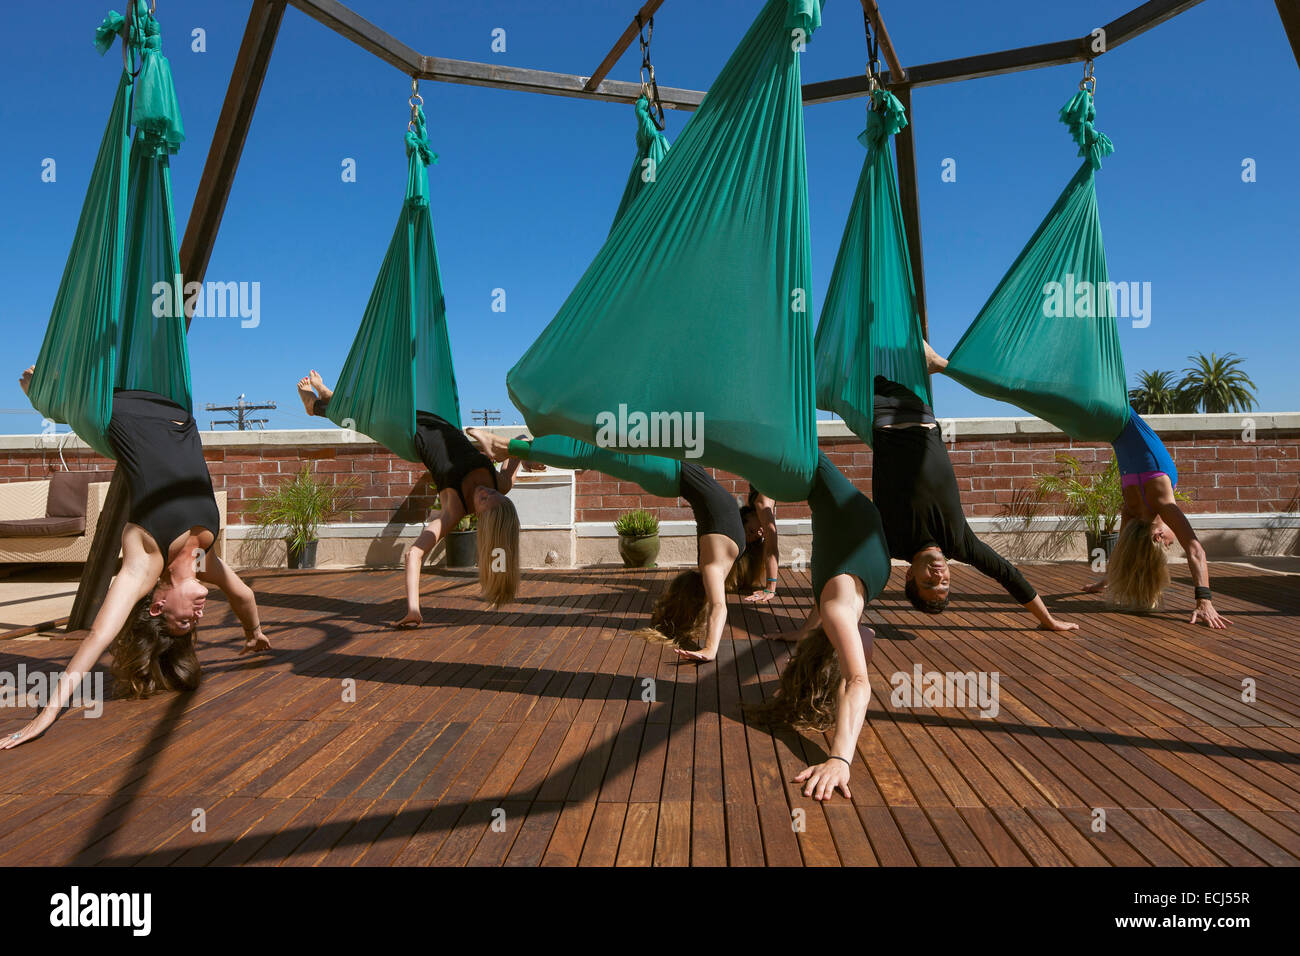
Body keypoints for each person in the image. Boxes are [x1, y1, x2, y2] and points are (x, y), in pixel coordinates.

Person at [3, 369, 270, 749]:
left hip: (118, 411)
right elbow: (243, 596)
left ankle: (44, 397)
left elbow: (97, 638)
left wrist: (45, 716)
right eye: (195, 623)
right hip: (172, 407)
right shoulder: (202, 562)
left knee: (55, 397)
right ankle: (48, 397)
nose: (198, 616)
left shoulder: (144, 564)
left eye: (184, 620)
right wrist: (253, 633)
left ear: (159, 606)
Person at [468, 430, 753, 663]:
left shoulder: (716, 565)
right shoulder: (720, 560)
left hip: (671, 471)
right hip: (672, 467)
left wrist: (710, 648)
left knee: (594, 449)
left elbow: (719, 607)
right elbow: (717, 604)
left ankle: (509, 446)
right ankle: (524, 448)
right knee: (597, 443)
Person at [875, 345, 1077, 631]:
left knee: (844, 356)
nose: (938, 575)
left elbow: (849, 575)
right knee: (906, 334)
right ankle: (939, 363)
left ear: (909, 576)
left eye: (929, 582)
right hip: (919, 408)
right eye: (944, 582)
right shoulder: (960, 543)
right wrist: (1049, 620)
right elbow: (1008, 575)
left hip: (878, 408)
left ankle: (936, 361)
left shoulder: (889, 543)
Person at [297, 371, 521, 622]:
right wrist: (528, 454)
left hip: (408, 433)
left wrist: (413, 609)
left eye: (483, 499)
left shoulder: (453, 510)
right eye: (491, 493)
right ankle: (326, 399)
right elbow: (521, 442)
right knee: (362, 411)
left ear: (480, 517)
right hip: (436, 420)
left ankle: (316, 405)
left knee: (368, 412)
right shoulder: (500, 485)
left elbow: (414, 554)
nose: (484, 491)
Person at [746, 451, 891, 801]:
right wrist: (840, 758)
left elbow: (858, 666)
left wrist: (840, 757)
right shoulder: (834, 609)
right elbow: (854, 676)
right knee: (793, 458)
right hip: (849, 524)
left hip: (863, 540)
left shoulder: (837, 611)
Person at [1082, 410, 1228, 628]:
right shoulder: (1131, 511)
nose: (1173, 539)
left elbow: (1195, 550)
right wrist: (1107, 580)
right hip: (1114, 430)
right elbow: (1122, 548)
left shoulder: (1163, 505)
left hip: (1126, 418)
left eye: (1169, 544)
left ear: (1159, 536)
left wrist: (1204, 600)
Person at [741, 485, 781, 603]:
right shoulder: (759, 501)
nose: (759, 533)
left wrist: (770, 588)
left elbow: (771, 550)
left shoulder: (761, 504)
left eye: (751, 531)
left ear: (747, 515)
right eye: (757, 538)